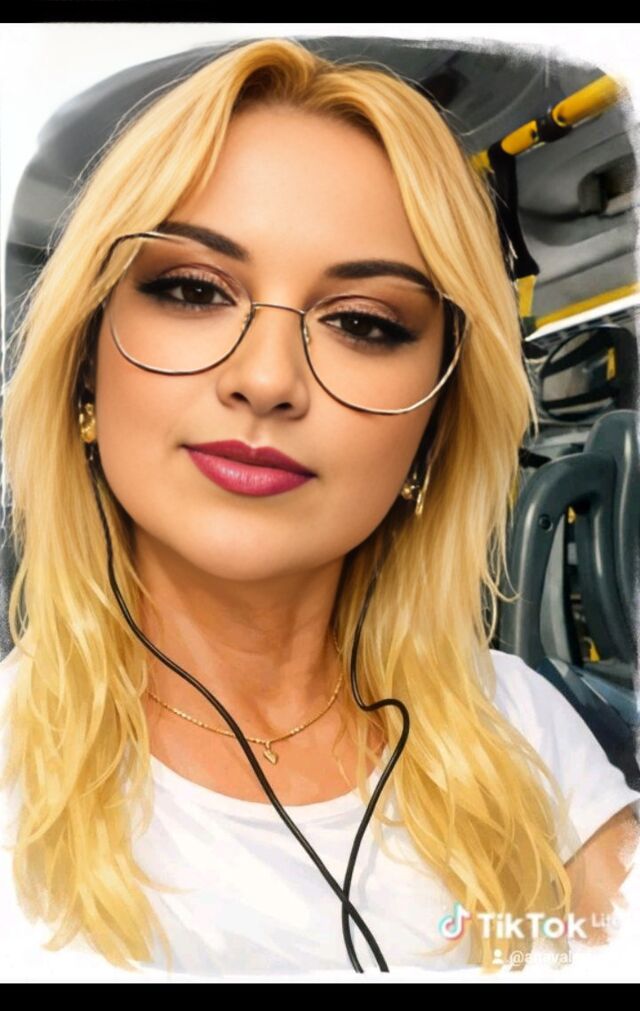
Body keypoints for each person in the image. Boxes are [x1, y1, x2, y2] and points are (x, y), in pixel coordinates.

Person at [1, 36, 639, 982]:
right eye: (192, 290)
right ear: (85, 366)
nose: (266, 379)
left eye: (363, 323)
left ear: (434, 424)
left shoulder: (523, 725)